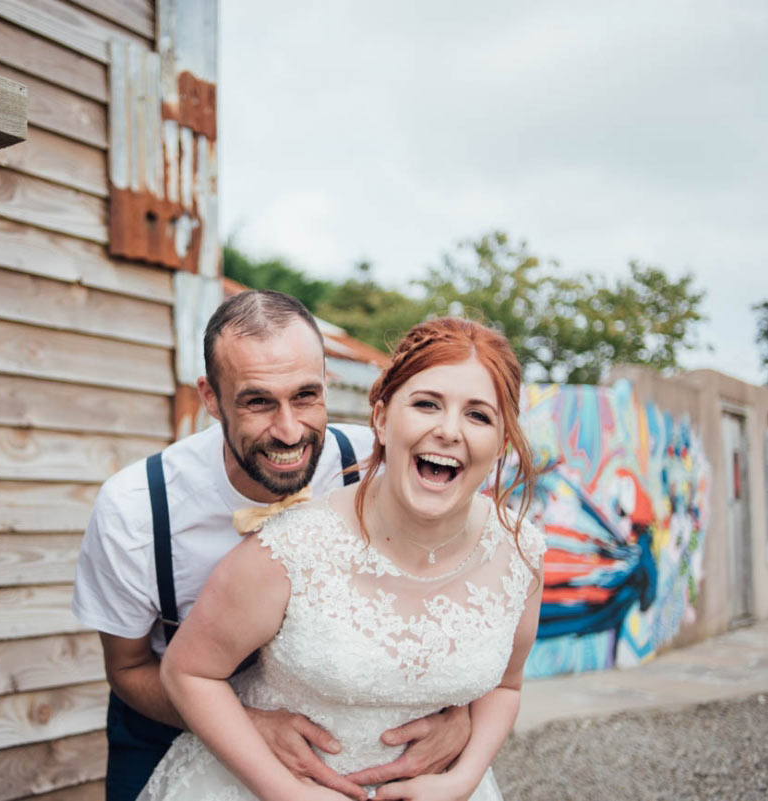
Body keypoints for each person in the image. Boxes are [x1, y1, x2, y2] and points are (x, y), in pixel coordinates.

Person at [72, 291, 471, 801]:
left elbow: (465, 599)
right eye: (258, 401)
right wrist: (243, 724)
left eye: (306, 396)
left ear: (327, 383)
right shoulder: (135, 509)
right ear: (211, 398)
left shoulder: (380, 466)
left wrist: (459, 714)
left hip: (338, 740)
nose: (288, 431)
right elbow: (127, 669)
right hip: (169, 729)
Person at [138, 316, 546, 801]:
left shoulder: (520, 553)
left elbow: (506, 687)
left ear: (502, 442)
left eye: (478, 415)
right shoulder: (290, 550)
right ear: (380, 418)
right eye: (426, 404)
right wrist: (289, 794)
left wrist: (463, 778)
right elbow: (188, 672)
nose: (448, 431)